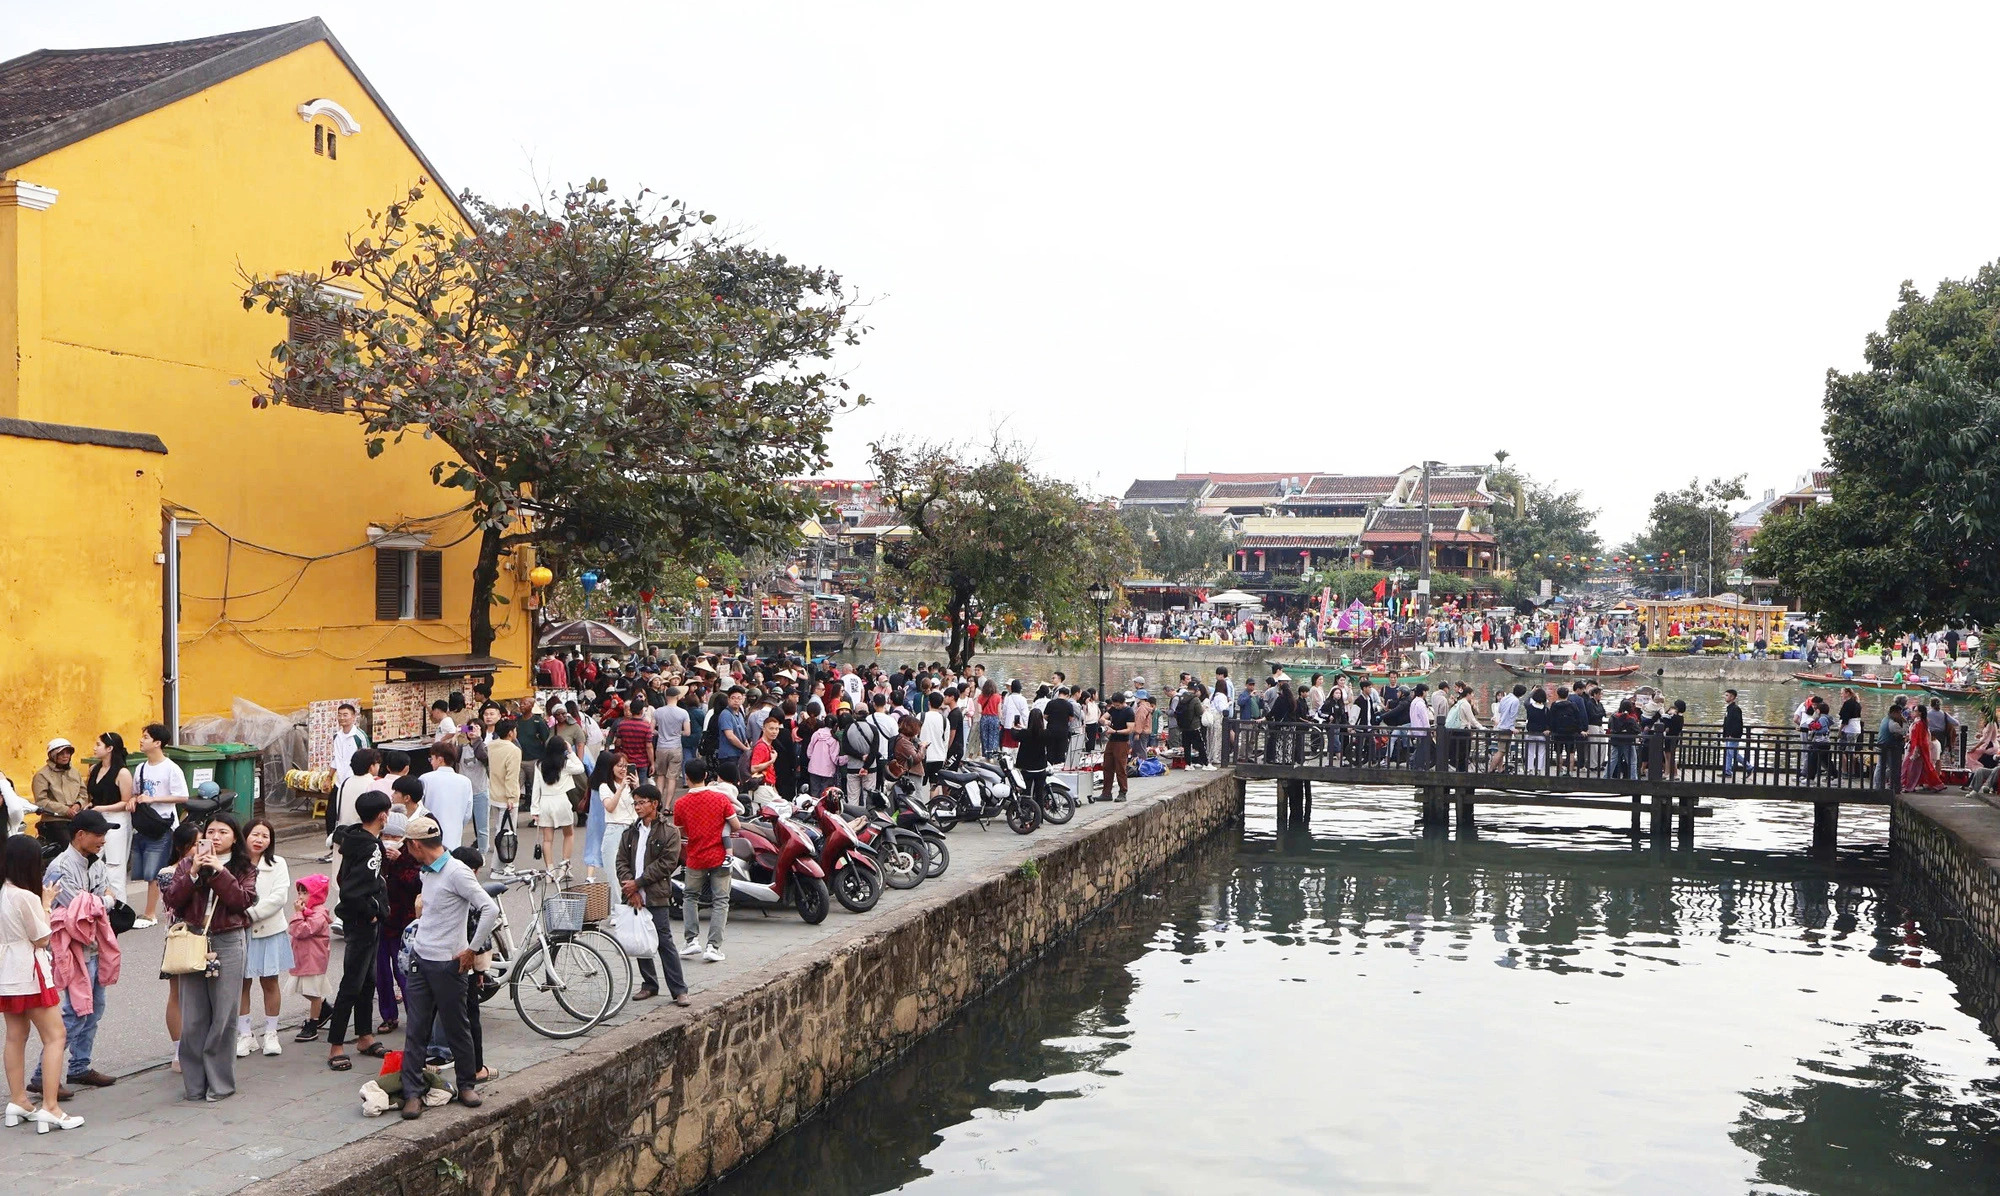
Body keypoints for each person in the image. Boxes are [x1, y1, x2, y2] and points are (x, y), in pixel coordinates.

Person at [392, 814, 497, 1120]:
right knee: (416, 1029)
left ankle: (466, 1084)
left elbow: (488, 908)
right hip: (421, 959)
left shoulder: (456, 872)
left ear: (414, 845)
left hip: (449, 964)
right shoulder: (427, 871)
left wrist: (471, 949)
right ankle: (412, 1093)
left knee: (456, 1026)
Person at [162, 815, 256, 1101]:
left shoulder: (243, 868)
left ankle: (220, 1084)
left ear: (234, 838)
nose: (215, 837)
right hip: (193, 940)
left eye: (222, 832)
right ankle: (194, 1085)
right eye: (210, 831)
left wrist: (219, 872)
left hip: (228, 940)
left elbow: (242, 901)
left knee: (224, 1016)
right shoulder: (187, 865)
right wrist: (193, 874)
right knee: (193, 1018)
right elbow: (172, 900)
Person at [30, 809, 117, 1094]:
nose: (103, 840)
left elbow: (105, 897)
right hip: (71, 950)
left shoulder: (97, 863)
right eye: (99, 834)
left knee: (95, 1010)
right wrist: (102, 901)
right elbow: (80, 910)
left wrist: (99, 901)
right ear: (80, 835)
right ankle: (43, 1076)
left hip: (94, 947)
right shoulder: (60, 867)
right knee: (75, 1012)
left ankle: (80, 1067)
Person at [2, 834, 82, 1132]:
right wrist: (46, 904)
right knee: (55, 1035)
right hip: (31, 970)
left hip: (7, 971)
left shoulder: (3, 891)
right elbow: (42, 937)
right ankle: (50, 1106)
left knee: (15, 1035)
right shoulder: (26, 896)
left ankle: (19, 1100)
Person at [325, 791, 390, 1072]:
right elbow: (352, 889)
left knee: (368, 980)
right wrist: (373, 910)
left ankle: (365, 1035)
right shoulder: (370, 847)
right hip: (362, 921)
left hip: (361, 920)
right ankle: (336, 1044)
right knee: (352, 983)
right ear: (382, 816)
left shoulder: (353, 839)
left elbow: (344, 878)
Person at [617, 785, 690, 1005]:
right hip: (633, 894)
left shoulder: (669, 832)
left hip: (656, 894)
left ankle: (679, 989)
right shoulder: (630, 832)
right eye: (635, 803)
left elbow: (666, 864)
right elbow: (621, 861)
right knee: (640, 940)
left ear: (655, 804)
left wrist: (638, 883)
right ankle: (649, 984)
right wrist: (631, 889)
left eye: (642, 802)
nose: (638, 807)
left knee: (664, 941)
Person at [675, 758, 743, 963]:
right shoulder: (721, 800)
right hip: (720, 856)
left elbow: (681, 831)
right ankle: (713, 946)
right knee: (720, 900)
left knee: (690, 896)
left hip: (695, 857)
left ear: (686, 778)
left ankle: (691, 940)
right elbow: (737, 825)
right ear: (706, 776)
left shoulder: (680, 804)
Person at [234, 819, 292, 1059]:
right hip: (239, 930)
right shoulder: (234, 864)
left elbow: (280, 896)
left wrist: (251, 913)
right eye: (255, 835)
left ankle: (271, 1032)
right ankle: (245, 1034)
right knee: (242, 984)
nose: (259, 840)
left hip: (270, 929)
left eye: (265, 836)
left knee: (270, 982)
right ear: (244, 836)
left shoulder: (278, 863)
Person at [130, 725, 188, 929]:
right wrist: (134, 800)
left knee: (155, 871)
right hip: (145, 824)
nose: (141, 740)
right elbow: (136, 793)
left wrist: (153, 798)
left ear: (157, 743)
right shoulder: (141, 768)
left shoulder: (171, 768)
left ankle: (150, 913)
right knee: (148, 871)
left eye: (146, 737)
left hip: (163, 823)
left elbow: (182, 796)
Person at [374, 813, 421, 1033]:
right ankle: (388, 1016)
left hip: (403, 922)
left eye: (395, 836)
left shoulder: (411, 856)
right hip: (382, 922)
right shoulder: (376, 853)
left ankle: (415, 1016)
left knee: (404, 972)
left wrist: (399, 861)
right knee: (381, 973)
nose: (390, 839)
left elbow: (415, 883)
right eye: (387, 835)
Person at [288, 874, 333, 1041]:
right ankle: (325, 1009)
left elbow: (301, 930)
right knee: (302, 988)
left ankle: (313, 1024)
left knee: (313, 993)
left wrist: (298, 914)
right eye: (299, 893)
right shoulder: (309, 912)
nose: (300, 897)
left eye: (304, 893)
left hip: (314, 959)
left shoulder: (318, 914)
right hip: (304, 958)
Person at [531, 739, 585, 866]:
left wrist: (534, 809)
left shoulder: (539, 764)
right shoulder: (565, 763)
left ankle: (550, 869)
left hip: (545, 802)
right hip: (562, 801)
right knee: (569, 834)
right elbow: (580, 768)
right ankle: (564, 865)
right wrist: (571, 752)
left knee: (547, 839)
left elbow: (536, 787)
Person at [419, 743, 474, 853]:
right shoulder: (465, 781)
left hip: (429, 833)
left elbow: (419, 808)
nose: (431, 762)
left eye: (432, 758)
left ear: (440, 759)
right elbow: (468, 813)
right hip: (455, 833)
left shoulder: (425, 779)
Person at [596, 752, 638, 874]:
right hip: (615, 828)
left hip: (632, 829)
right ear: (612, 767)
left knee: (633, 871)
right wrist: (620, 788)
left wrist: (637, 786)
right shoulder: (604, 787)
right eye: (619, 766)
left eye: (625, 766)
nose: (623, 769)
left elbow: (643, 808)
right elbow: (610, 807)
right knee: (614, 873)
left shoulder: (632, 786)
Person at [486, 719, 522, 855]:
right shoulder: (513, 750)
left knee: (499, 830)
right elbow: (511, 776)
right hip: (508, 798)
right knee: (507, 834)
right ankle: (502, 866)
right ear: (510, 733)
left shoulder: (491, 746)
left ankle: (499, 866)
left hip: (494, 794)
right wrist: (512, 797)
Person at [31, 740, 84, 820]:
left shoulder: (75, 772)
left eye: (68, 753)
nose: (65, 756)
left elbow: (83, 793)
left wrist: (78, 804)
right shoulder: (42, 775)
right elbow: (41, 801)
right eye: (61, 753)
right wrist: (65, 810)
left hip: (77, 817)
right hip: (54, 820)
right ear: (53, 756)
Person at [654, 689, 690, 807]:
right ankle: (668, 806)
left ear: (666, 696)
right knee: (672, 777)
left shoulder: (658, 711)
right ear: (678, 697)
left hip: (661, 747)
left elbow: (651, 729)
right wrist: (678, 733)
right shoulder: (683, 713)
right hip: (675, 747)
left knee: (660, 775)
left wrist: (660, 733)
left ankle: (658, 803)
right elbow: (687, 732)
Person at [1100, 693, 1135, 802]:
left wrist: (1115, 731)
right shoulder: (1113, 709)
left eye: (1118, 705)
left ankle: (1123, 792)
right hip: (1112, 741)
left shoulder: (1129, 712)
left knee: (1120, 767)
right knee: (1107, 766)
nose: (1116, 707)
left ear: (1123, 702)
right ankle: (1106, 792)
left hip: (1122, 742)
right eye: (1114, 705)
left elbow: (1130, 729)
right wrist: (1106, 722)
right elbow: (1102, 718)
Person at [329, 703, 370, 788]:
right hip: (339, 782)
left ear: (353, 717)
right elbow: (336, 759)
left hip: (356, 782)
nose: (342, 718)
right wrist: (329, 777)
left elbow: (368, 759)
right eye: (339, 715)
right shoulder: (337, 736)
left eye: (345, 715)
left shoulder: (359, 736)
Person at [1722, 689, 1746, 779]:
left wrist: (1733, 734)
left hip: (1733, 735)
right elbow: (1727, 722)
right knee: (1729, 753)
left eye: (1727, 695)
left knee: (1733, 753)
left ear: (1732, 697)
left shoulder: (1735, 709)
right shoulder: (1729, 708)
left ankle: (1748, 766)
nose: (1725, 697)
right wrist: (1725, 734)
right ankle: (1727, 771)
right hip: (1729, 735)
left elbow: (1738, 724)